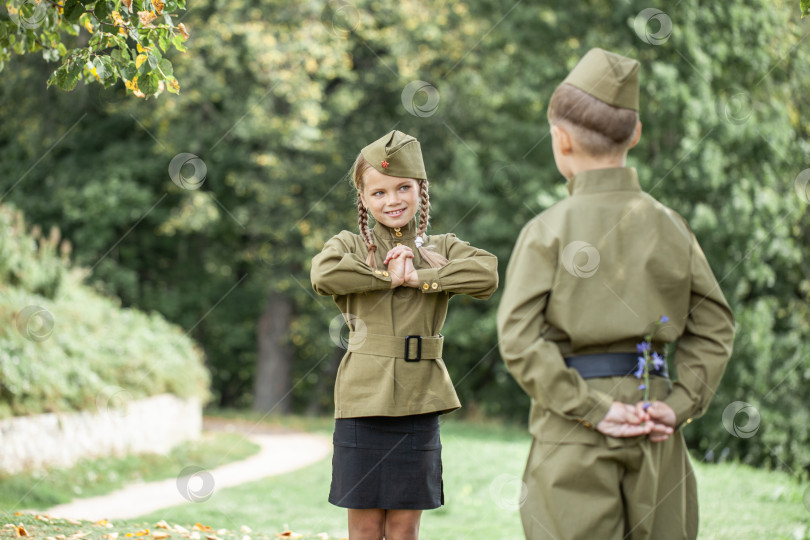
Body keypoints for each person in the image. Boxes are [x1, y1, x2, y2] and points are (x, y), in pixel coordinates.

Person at [496, 48, 735, 540]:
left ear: (561, 140)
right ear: (636, 134)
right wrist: (682, 401)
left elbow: (518, 340)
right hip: (655, 418)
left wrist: (592, 409)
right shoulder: (672, 226)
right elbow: (715, 325)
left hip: (571, 431)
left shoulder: (547, 231)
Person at [311, 130, 498, 540]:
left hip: (418, 399)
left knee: (403, 529)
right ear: (362, 198)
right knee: (364, 528)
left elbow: (486, 273)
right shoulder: (349, 245)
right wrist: (385, 276)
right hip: (363, 401)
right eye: (378, 192)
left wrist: (421, 277)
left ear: (420, 190)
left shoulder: (441, 246)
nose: (392, 200)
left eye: (403, 188)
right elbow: (323, 275)